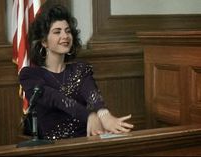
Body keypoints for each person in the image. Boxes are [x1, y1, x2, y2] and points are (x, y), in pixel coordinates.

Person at [19, 4, 134, 141]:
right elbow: (56, 99)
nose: (65, 36)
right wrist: (90, 116)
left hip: (85, 141)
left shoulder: (80, 69)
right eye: (57, 32)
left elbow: (92, 95)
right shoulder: (30, 75)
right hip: (54, 147)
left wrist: (104, 115)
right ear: (44, 41)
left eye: (68, 31)